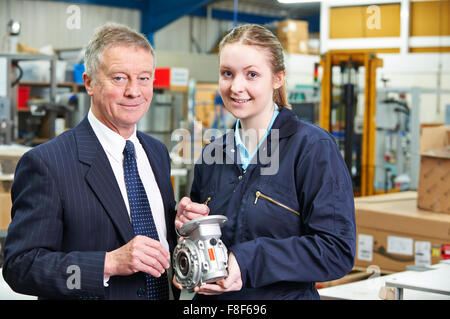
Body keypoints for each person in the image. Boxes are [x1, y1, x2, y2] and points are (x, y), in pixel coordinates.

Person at [2, 23, 208, 300]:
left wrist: (177, 224)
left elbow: (142, 225)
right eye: (119, 78)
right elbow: (21, 267)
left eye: (144, 78)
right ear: (89, 83)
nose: (134, 91)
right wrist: (108, 264)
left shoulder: (156, 152)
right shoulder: (47, 164)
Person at [174, 24, 356, 300]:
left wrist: (246, 263)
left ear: (278, 78)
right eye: (227, 74)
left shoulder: (312, 149)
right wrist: (187, 229)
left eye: (252, 74)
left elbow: (336, 251)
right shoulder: (214, 152)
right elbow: (205, 242)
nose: (236, 86)